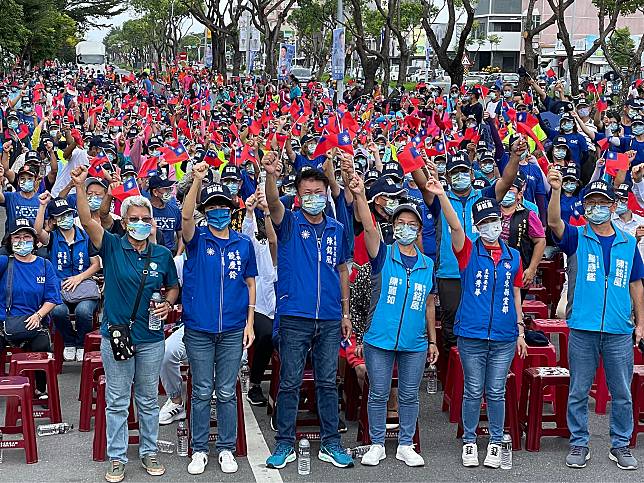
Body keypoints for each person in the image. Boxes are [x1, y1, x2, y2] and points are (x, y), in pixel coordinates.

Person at [73, 166, 179, 483]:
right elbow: (88, 220)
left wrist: (169, 303)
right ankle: (117, 458)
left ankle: (148, 452)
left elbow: (173, 286)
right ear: (123, 221)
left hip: (151, 337)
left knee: (147, 400)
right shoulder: (112, 245)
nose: (140, 224)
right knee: (118, 401)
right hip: (117, 335)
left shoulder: (162, 254)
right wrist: (80, 188)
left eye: (146, 219)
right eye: (134, 219)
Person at [262, 152, 354, 469]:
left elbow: (342, 269)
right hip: (294, 317)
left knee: (328, 383)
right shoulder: (288, 223)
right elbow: (273, 203)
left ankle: (331, 443)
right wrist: (271, 175)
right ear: (298, 197)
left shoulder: (337, 228)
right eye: (307, 193)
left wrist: (345, 313)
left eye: (319, 192)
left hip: (329, 318)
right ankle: (284, 443)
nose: (313, 198)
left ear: (326, 194)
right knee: (289, 382)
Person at [547, 174, 644, 470]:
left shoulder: (628, 242)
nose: (597, 208)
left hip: (618, 328)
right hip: (583, 327)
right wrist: (555, 191)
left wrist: (641, 323)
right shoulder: (577, 236)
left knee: (622, 392)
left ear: (613, 206)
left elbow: (636, 283)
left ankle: (620, 444)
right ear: (585, 207)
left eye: (603, 203)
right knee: (578, 389)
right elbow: (553, 223)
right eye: (592, 203)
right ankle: (579, 443)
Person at [433, 183, 527, 468]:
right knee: (474, 390)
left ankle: (496, 442)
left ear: (501, 221)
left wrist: (521, 329)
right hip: (472, 335)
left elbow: (516, 292)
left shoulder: (514, 256)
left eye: (494, 221)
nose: (490, 227)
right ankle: (470, 441)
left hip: (504, 336)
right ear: (476, 226)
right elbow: (454, 227)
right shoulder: (467, 252)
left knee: (496, 391)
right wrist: (440, 195)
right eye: (484, 223)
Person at [348, 173, 439, 467]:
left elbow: (428, 304)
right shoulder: (383, 255)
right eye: (401, 224)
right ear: (393, 227)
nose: (406, 229)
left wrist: (433, 340)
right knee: (379, 392)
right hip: (379, 338)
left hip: (415, 342)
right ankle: (376, 443)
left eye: (412, 225)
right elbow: (368, 226)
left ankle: (405, 444)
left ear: (420, 229)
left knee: (410, 395)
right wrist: (361, 196)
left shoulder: (428, 265)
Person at [181, 161, 257, 475]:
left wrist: (250, 322)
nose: (218, 212)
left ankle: (226, 448)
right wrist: (197, 180)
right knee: (201, 390)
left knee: (226, 391)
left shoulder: (243, 243)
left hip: (233, 329)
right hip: (199, 328)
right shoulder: (197, 239)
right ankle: (199, 450)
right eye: (211, 208)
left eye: (223, 206)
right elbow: (186, 216)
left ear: (231, 209)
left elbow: (250, 282)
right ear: (206, 211)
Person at [34, 194, 100, 362]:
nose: (66, 218)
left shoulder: (85, 237)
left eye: (69, 214)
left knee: (84, 312)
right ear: (54, 220)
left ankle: (81, 344)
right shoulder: (53, 238)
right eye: (61, 216)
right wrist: (42, 206)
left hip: (83, 286)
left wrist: (79, 278)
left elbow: (96, 264)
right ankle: (69, 342)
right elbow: (37, 231)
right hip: (60, 288)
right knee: (57, 311)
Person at [0, 218, 61, 395]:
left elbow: (52, 298)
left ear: (35, 241)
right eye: (16, 238)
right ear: (9, 241)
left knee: (42, 346)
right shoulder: (5, 262)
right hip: (5, 322)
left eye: (26, 237)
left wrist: (38, 316)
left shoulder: (44, 265)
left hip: (35, 321)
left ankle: (40, 389)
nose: (21, 241)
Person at [241, 189, 278, 407]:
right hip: (260, 306)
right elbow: (255, 235)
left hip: (284, 306)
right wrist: (251, 212)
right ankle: (255, 384)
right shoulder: (258, 245)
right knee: (266, 334)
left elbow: (276, 241)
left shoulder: (291, 243)